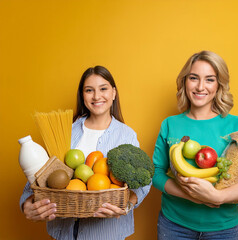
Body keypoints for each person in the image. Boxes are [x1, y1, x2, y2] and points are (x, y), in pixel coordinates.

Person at [152, 51, 238, 240]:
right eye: (194, 78)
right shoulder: (170, 124)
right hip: (174, 225)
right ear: (185, 81)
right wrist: (191, 196)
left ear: (219, 85)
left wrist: (218, 197)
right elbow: (156, 172)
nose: (200, 86)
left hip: (223, 230)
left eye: (209, 79)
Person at [20, 65, 152, 240]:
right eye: (89, 90)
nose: (97, 96)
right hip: (63, 232)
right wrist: (26, 204)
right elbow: (41, 175)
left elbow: (143, 182)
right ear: (83, 96)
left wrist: (127, 206)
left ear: (113, 93)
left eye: (103, 89)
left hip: (107, 233)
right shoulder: (66, 131)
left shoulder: (126, 135)